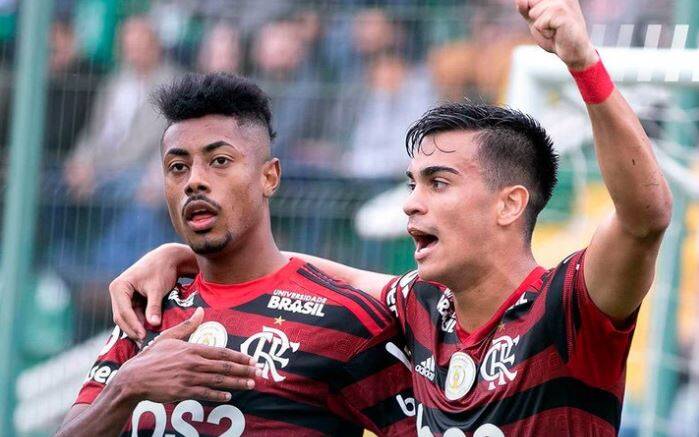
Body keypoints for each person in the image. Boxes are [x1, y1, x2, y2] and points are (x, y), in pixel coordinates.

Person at [110, 0, 672, 435]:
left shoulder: (570, 305)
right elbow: (285, 271)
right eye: (412, 183)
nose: (411, 202)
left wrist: (582, 63)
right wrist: (185, 254)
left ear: (510, 203)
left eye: (438, 182)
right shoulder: (420, 307)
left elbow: (645, 218)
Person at [57, 73, 413, 436]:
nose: (194, 180)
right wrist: (125, 388)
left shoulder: (343, 320)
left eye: (220, 161)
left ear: (269, 177)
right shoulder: (148, 308)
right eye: (177, 167)